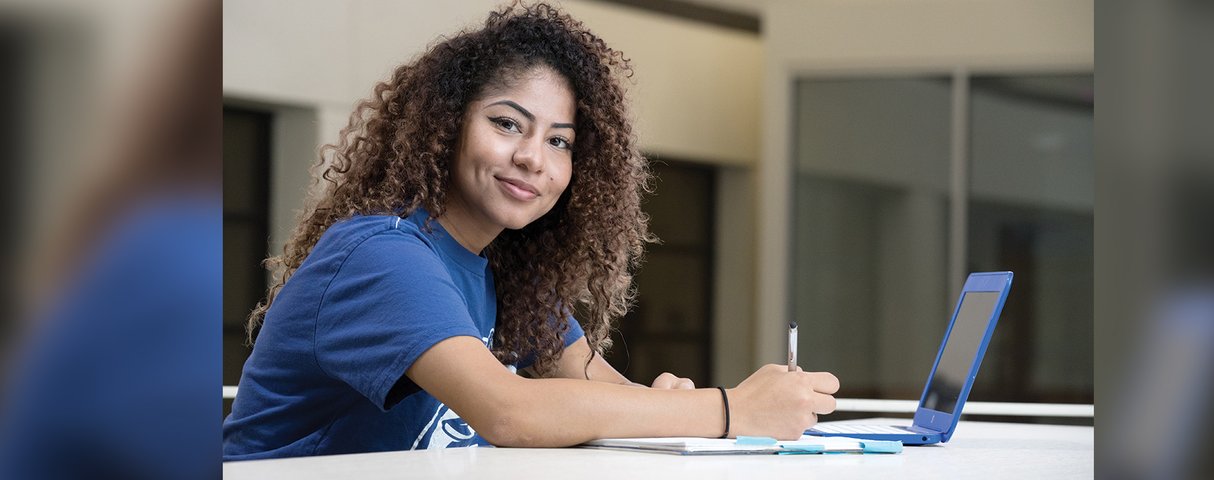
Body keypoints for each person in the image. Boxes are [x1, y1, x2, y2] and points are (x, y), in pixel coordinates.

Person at [222, 2, 837, 460]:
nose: (533, 158)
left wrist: (665, 404)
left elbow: (602, 392)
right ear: (446, 125)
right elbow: (508, 414)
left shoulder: (510, 277)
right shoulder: (381, 255)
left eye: (559, 141)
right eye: (508, 124)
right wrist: (730, 409)